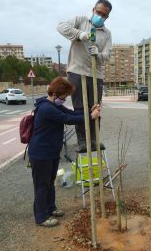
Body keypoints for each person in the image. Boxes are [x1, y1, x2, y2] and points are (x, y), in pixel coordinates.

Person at [28, 77, 100, 227]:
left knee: (49, 183)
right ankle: (41, 217)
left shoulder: (53, 104)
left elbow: (71, 113)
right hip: (41, 154)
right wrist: (90, 118)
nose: (64, 100)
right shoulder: (47, 108)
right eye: (63, 97)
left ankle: (50, 208)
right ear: (54, 94)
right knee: (42, 185)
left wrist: (89, 111)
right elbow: (67, 119)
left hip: (51, 152)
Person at [56, 0, 112, 152]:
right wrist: (80, 35)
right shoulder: (81, 21)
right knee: (80, 108)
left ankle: (94, 140)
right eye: (98, 12)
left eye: (103, 14)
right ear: (93, 9)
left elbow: (107, 54)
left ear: (107, 17)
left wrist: (99, 54)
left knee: (95, 108)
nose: (99, 16)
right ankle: (82, 141)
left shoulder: (107, 34)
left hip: (96, 75)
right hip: (77, 71)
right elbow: (60, 27)